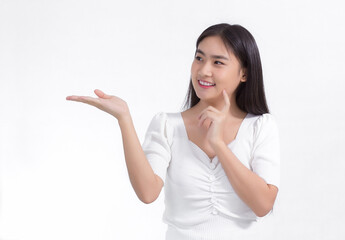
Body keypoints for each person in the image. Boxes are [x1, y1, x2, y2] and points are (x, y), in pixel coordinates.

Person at [66, 23, 280, 240]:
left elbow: (262, 204)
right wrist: (124, 118)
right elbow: (147, 193)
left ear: (244, 73)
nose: (204, 70)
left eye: (218, 62)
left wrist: (218, 144)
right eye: (199, 58)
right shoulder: (167, 125)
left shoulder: (260, 126)